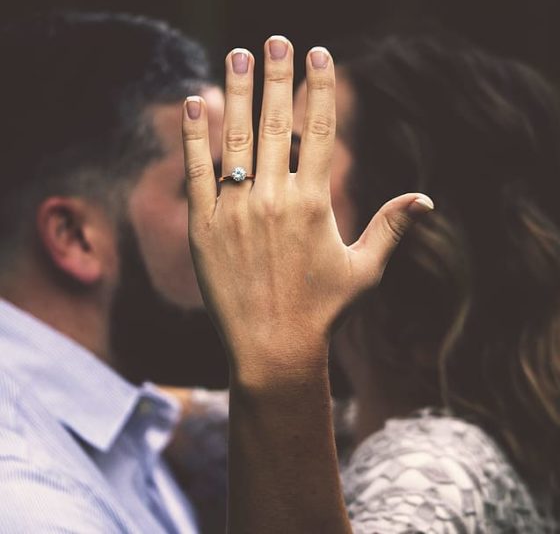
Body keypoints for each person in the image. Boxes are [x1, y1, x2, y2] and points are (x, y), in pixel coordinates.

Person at [182, 33, 560, 532]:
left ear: (397, 203)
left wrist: (274, 348)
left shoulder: (437, 473)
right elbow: (163, 419)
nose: (262, 190)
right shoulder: (362, 418)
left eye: (294, 158)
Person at [0, 12, 226, 532]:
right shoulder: (32, 504)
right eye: (206, 187)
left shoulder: (128, 427)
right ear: (76, 237)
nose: (246, 222)